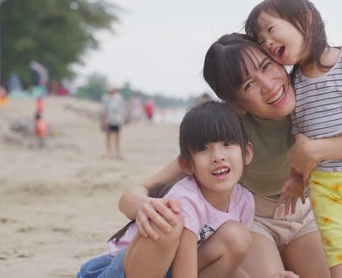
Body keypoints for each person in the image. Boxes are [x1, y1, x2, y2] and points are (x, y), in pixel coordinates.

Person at [119, 33, 342, 278]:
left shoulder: (315, 98)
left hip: (305, 215)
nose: (269, 86)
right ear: (235, 102)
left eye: (266, 67)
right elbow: (134, 195)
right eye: (249, 84)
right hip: (253, 220)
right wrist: (144, 205)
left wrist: (315, 149)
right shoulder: (232, 133)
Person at [245, 0, 342, 278]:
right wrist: (297, 177)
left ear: (305, 19)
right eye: (261, 39)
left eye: (272, 30)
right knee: (337, 247)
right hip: (324, 184)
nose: (266, 42)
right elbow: (300, 137)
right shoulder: (294, 84)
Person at [77, 101, 255, 278]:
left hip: (170, 270)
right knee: (169, 220)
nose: (218, 157)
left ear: (246, 153)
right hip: (120, 271)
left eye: (228, 143)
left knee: (238, 237)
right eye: (203, 149)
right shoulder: (186, 199)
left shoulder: (244, 201)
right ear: (186, 164)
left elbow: (232, 266)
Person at [101, 85, 126, 159]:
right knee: (108, 136)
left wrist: (122, 119)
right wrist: (103, 120)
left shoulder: (119, 98)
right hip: (109, 119)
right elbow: (104, 110)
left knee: (118, 136)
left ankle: (118, 153)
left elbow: (122, 109)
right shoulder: (105, 98)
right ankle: (108, 152)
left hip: (117, 119)